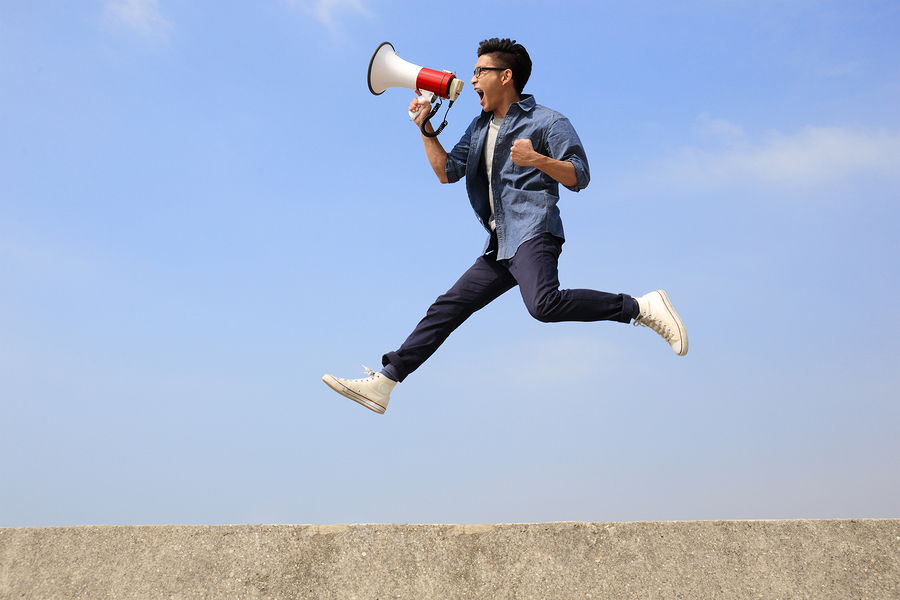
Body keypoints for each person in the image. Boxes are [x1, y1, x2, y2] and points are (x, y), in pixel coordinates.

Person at [322, 38, 687, 414]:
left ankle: (639, 307)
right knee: (448, 307)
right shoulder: (480, 127)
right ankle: (386, 381)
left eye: (480, 71)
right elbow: (447, 172)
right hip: (500, 244)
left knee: (543, 305)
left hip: (534, 231)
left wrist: (537, 158)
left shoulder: (548, 121)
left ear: (505, 76)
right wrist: (425, 127)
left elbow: (579, 176)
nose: (473, 78)